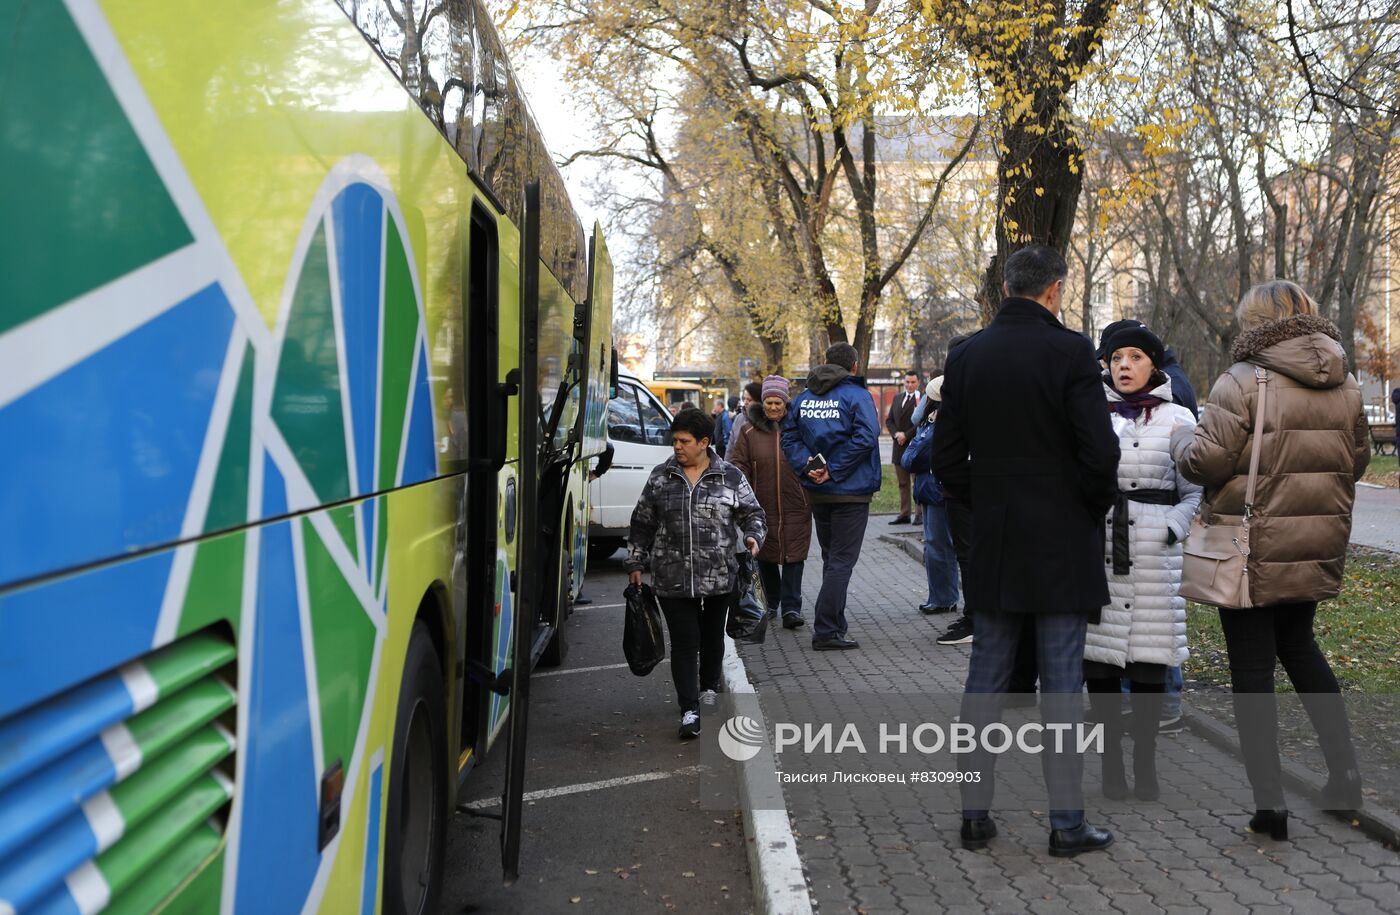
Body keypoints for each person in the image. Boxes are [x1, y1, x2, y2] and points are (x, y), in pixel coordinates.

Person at [931, 244, 1121, 857]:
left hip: (996, 538)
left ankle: (974, 817)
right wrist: (1085, 512)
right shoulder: (1070, 352)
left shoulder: (966, 357)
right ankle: (1066, 825)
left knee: (985, 676)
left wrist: (982, 506)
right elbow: (1100, 455)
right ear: (1054, 290)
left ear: (1005, 288)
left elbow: (945, 460)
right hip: (1062, 541)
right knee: (1062, 687)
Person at [1170, 279, 1369, 839]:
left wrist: (1181, 437)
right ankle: (1346, 776)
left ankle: (1270, 806)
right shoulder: (1347, 381)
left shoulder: (1242, 380)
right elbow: (1354, 465)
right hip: (1315, 542)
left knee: (1252, 670)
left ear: (1256, 322)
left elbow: (1207, 463)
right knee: (1301, 649)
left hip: (1250, 545)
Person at [1084, 321, 1202, 802]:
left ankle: (1146, 764)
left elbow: (1196, 492)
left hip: (1155, 556)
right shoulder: (1093, 415)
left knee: (1151, 665)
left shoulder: (1180, 420)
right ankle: (1112, 766)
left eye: (1134, 357)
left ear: (1153, 364)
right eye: (1116, 359)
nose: (1124, 366)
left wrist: (1173, 527)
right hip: (1104, 551)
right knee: (1104, 667)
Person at [626, 409, 767, 738]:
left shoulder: (729, 476)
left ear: (704, 442)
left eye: (684, 441)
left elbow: (752, 512)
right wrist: (635, 562)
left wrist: (752, 537)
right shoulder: (662, 477)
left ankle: (708, 689)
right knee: (686, 643)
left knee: (712, 637)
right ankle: (689, 708)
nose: (677, 447)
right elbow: (642, 523)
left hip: (718, 577)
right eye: (674, 440)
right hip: (672, 578)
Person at [782, 342, 882, 651]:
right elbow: (867, 436)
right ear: (853, 366)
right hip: (850, 492)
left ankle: (836, 626)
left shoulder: (804, 398)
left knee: (831, 559)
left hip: (819, 492)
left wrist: (811, 468)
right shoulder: (857, 396)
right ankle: (826, 630)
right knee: (841, 562)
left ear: (827, 363)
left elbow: (789, 436)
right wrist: (834, 469)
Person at [728, 376, 811, 629]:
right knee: (765, 555)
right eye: (769, 402)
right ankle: (772, 602)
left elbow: (815, 455)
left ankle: (792, 608)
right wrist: (743, 496)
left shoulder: (800, 428)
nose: (773, 407)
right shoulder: (749, 431)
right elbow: (738, 464)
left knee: (794, 556)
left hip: (796, 502)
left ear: (786, 402)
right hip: (761, 504)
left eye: (778, 402)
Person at [908, 375, 959, 614]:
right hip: (929, 489)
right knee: (933, 547)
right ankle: (939, 596)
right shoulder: (931, 421)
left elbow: (915, 456)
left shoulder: (942, 423)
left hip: (935, 489)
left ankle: (944, 598)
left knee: (938, 546)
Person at [886, 371, 924, 525]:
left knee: (917, 482)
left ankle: (919, 514)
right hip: (899, 447)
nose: (909, 385)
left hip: (914, 447)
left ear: (918, 383)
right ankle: (904, 514)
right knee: (903, 483)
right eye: (907, 382)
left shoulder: (921, 399)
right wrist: (896, 434)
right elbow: (889, 421)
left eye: (913, 382)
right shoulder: (897, 398)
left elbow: (920, 422)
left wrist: (906, 435)